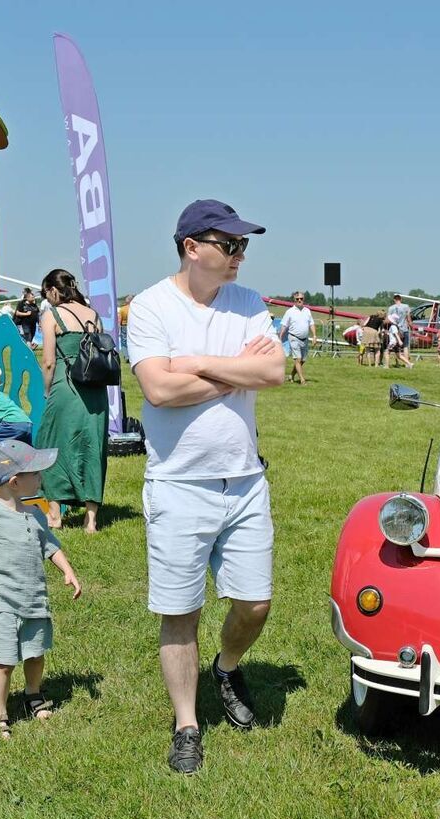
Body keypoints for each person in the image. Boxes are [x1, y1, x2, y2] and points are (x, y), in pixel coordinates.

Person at [127, 199, 284, 774]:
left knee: (256, 602)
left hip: (245, 479)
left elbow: (273, 373)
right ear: (192, 247)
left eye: (244, 245)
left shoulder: (249, 304)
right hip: (178, 483)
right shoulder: (149, 306)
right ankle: (187, 724)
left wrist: (194, 363)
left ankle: (227, 664)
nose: (241, 254)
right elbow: (159, 393)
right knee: (180, 609)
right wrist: (230, 367)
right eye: (230, 244)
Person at [0, 440, 82, 739]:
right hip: (1, 601)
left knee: (36, 653)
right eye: (36, 473)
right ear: (15, 481)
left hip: (34, 598)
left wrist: (68, 570)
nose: (41, 478)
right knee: (4, 661)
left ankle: (32, 693)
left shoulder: (34, 513)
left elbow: (50, 546)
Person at [35, 269, 108, 534]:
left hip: (66, 387)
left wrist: (47, 389)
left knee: (50, 443)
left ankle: (55, 515)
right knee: (92, 446)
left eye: (46, 293)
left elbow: (49, 361)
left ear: (54, 290)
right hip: (96, 391)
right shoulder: (94, 315)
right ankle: (91, 519)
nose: (47, 298)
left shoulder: (51, 315)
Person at [277, 292, 316, 384]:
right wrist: (280, 337)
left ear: (303, 299)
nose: (299, 300)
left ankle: (292, 375)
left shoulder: (307, 311)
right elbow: (284, 325)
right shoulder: (289, 312)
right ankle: (302, 380)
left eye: (301, 298)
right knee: (298, 359)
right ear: (294, 300)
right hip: (294, 337)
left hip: (305, 339)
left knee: (302, 360)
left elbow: (311, 324)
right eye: (297, 299)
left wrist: (314, 335)